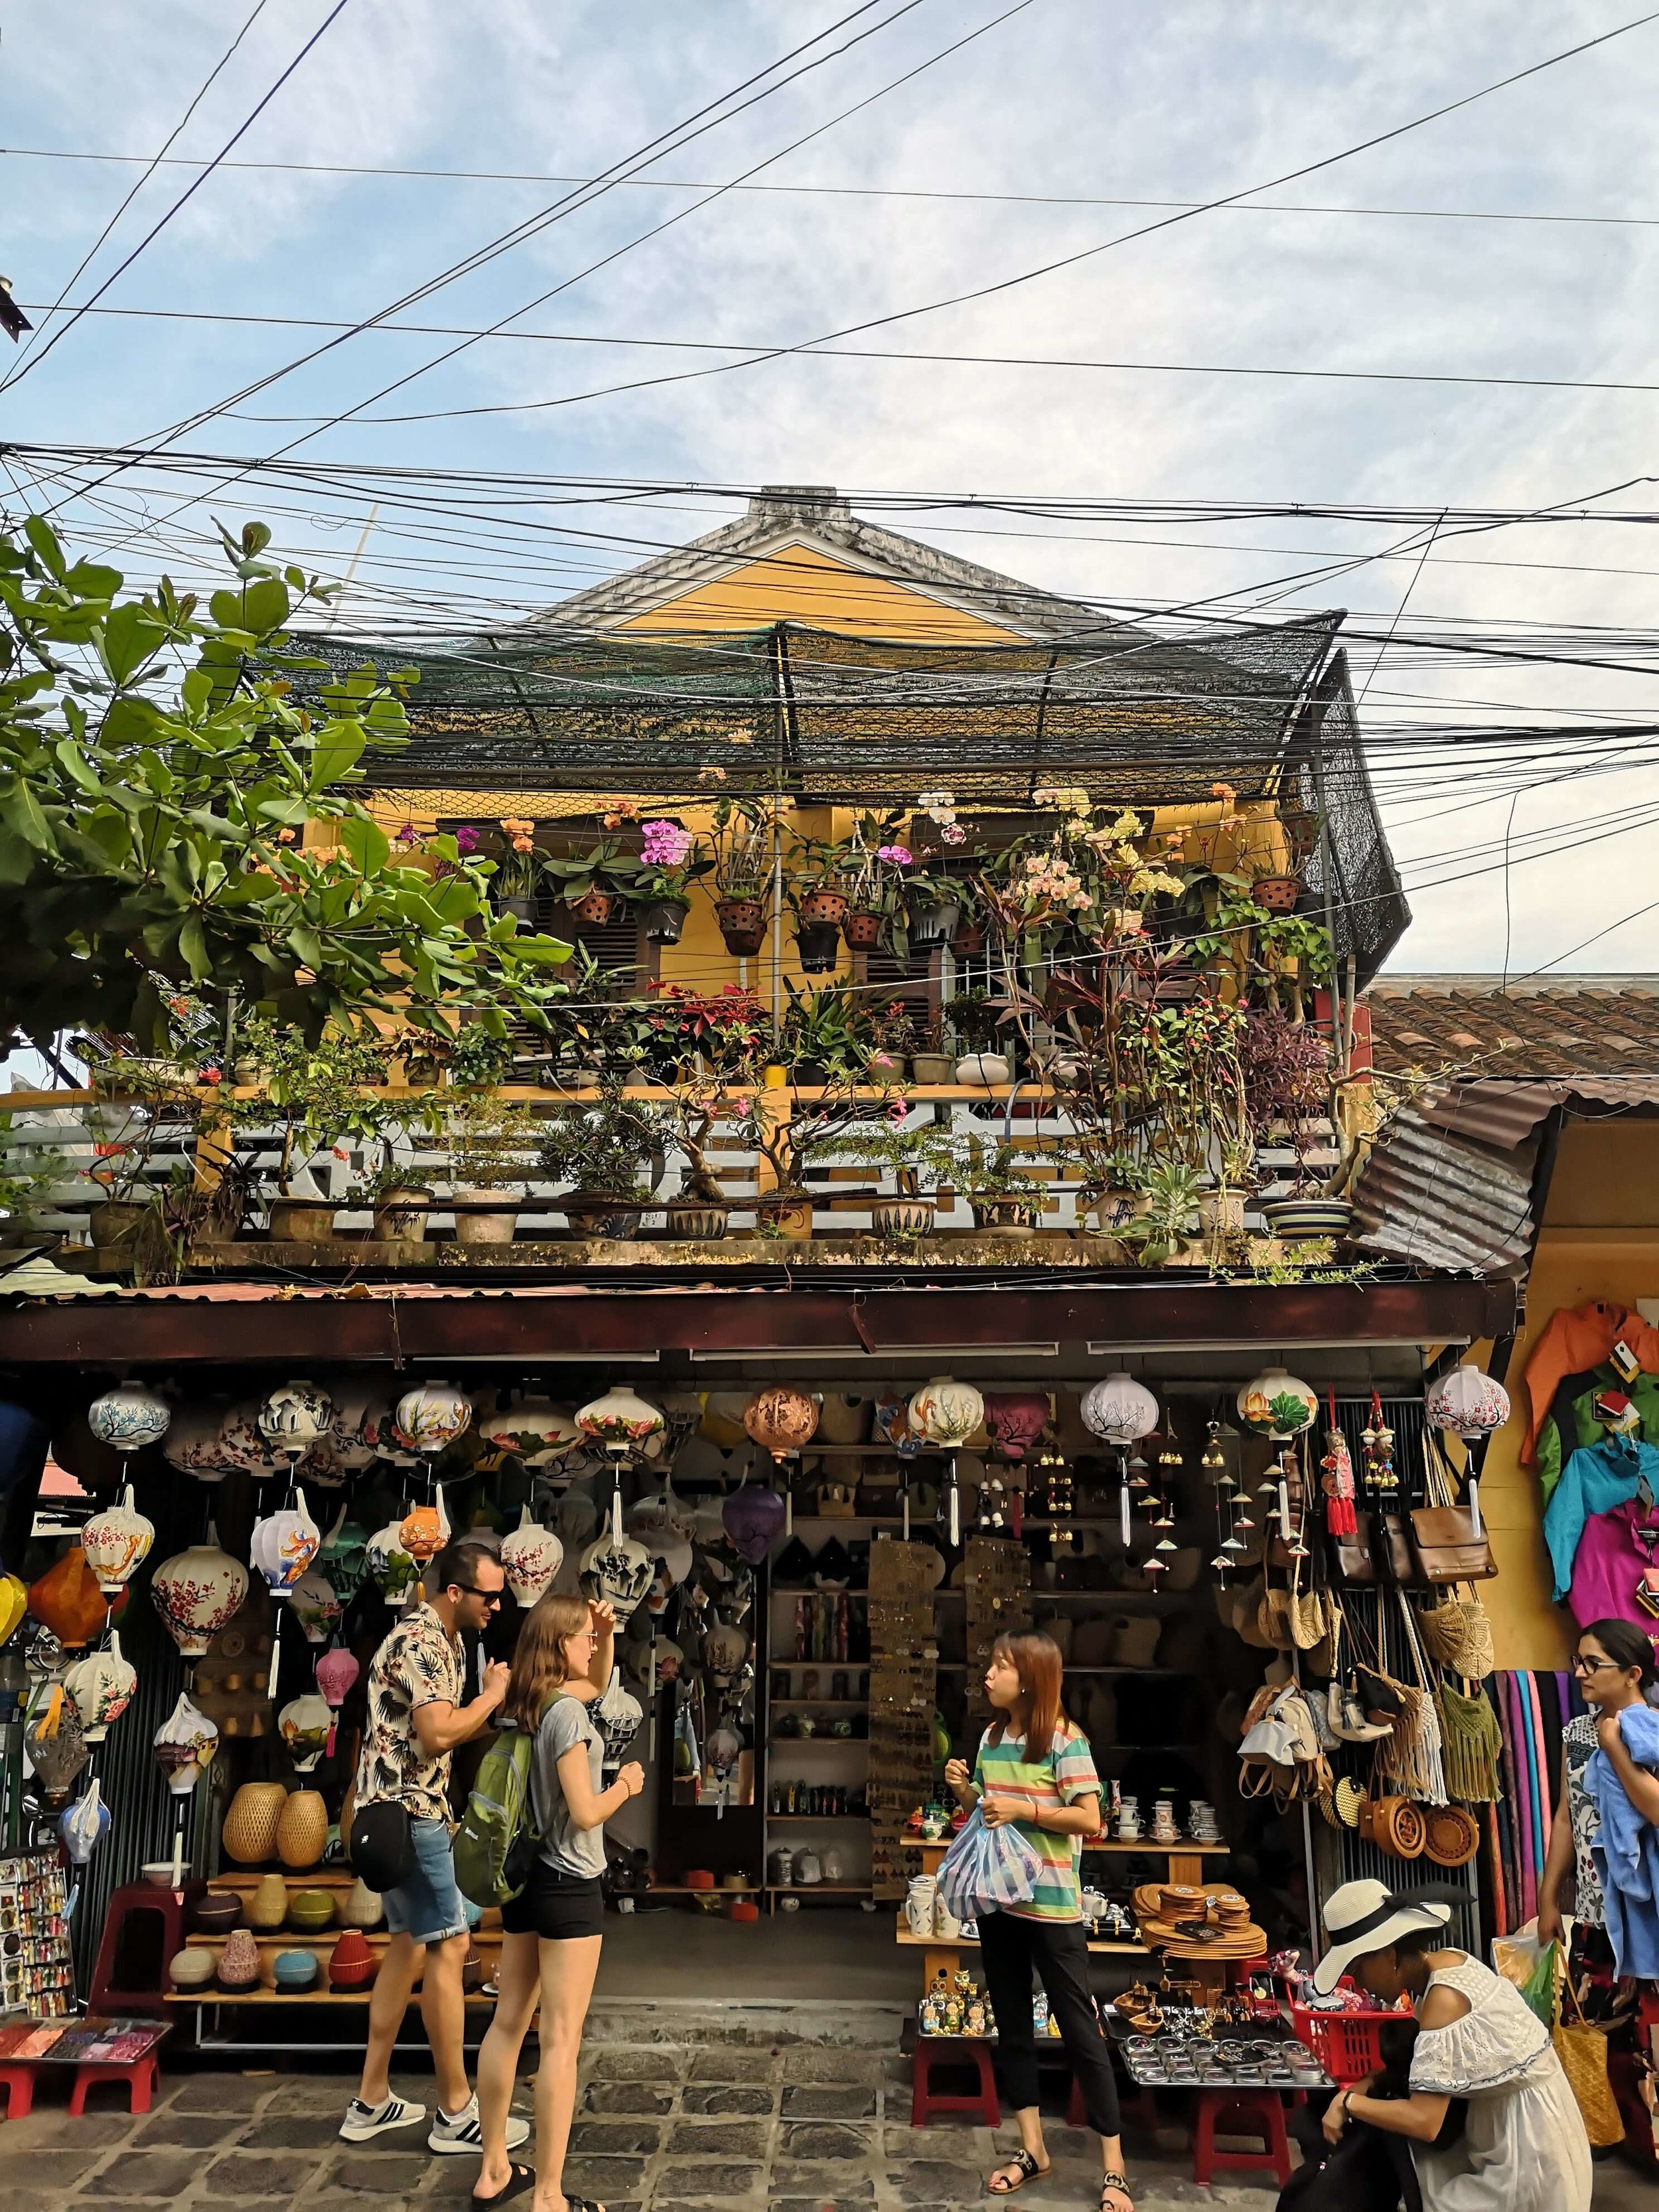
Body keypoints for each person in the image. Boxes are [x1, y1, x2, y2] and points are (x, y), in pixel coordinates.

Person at [340, 1538, 532, 2158]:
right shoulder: (423, 1642)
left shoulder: (443, 1638)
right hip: (412, 1814)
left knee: (406, 1947)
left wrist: (488, 1706)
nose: (497, 1606)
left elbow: (429, 1730)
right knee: (450, 1946)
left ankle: (371, 2098)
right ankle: (455, 2111)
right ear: (454, 1591)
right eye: (489, 1596)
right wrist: (491, 1696)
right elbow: (438, 1733)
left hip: (390, 1813)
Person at [944, 1629, 1131, 2211]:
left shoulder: (1065, 1741)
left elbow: (1090, 1818)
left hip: (1052, 1908)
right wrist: (967, 1792)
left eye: (1000, 1666)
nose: (988, 1674)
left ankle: (1115, 2168)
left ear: (1029, 1678)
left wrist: (1024, 1807)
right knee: (1012, 2027)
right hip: (999, 1902)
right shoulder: (991, 1738)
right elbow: (988, 1812)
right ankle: (1032, 2149)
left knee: (1079, 2030)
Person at [472, 1591, 644, 2212]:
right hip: (570, 1884)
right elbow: (585, 1810)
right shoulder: (567, 1715)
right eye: (582, 1636)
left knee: (508, 2022)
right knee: (561, 2040)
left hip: (525, 1879)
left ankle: (494, 2169)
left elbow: (595, 1681)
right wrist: (624, 1785)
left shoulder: (527, 1700)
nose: (591, 1644)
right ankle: (548, 2195)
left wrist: (607, 1629)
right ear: (556, 1644)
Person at [1312, 1878, 1591, 2212]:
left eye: (1357, 1969)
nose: (1358, 1983)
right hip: (1516, 2126)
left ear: (1387, 1954)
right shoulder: (1446, 1962)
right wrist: (1372, 2080)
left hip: (1529, 2150)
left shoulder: (1443, 1999)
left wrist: (1347, 2102)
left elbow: (1425, 2121)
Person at [1540, 1617, 1659, 1982]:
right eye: (1579, 1661)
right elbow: (1566, 1817)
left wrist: (1613, 1748)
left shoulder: (1653, 1732)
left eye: (1593, 1663)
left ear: (1632, 1674)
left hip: (1646, 1912)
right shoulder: (1576, 1733)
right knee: (1589, 2014)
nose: (1580, 1673)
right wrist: (1548, 1899)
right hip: (1592, 1911)